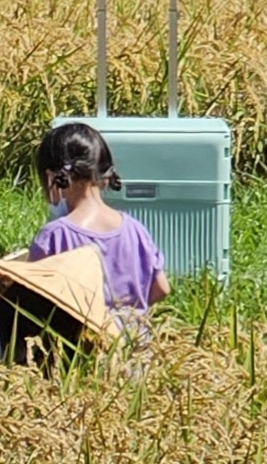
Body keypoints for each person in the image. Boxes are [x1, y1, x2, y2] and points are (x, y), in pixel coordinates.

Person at [30, 120, 168, 333]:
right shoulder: (135, 229)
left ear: (52, 177)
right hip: (135, 351)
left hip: (79, 353)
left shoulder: (55, 236)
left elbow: (32, 300)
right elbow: (162, 288)